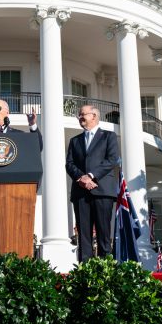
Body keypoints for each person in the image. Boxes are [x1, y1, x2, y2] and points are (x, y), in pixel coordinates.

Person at [65, 105, 119, 262]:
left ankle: (106, 270)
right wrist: (82, 178)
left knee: (103, 233)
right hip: (80, 192)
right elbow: (69, 164)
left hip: (102, 190)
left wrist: (90, 176)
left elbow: (112, 160)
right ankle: (85, 271)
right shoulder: (74, 141)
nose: (80, 117)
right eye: (79, 115)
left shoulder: (109, 136)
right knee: (83, 235)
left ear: (94, 116)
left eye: (83, 114)